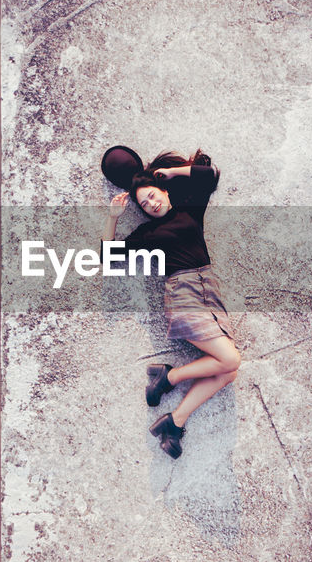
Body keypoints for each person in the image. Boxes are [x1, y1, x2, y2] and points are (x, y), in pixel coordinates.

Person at [102, 150, 239, 459]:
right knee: (230, 360)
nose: (151, 204)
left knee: (228, 371)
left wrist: (173, 172)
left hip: (209, 292)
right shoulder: (149, 233)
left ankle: (174, 421)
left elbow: (211, 174)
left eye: (153, 196)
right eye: (145, 204)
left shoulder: (190, 209)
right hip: (182, 294)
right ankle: (169, 377)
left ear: (163, 191)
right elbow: (108, 259)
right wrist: (112, 219)